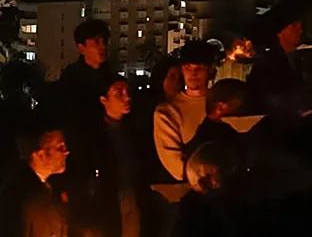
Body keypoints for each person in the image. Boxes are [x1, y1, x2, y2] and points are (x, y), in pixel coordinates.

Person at [67, 72, 142, 237]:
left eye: (127, 91)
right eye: (119, 93)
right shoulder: (89, 134)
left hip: (132, 197)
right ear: (103, 99)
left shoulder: (134, 129)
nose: (127, 97)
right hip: (106, 201)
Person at [0, 117, 70, 237]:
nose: (66, 152)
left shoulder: (48, 188)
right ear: (39, 154)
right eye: (60, 147)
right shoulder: (21, 199)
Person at [153, 42, 213, 182]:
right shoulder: (167, 112)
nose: (193, 73)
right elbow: (176, 166)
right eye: (187, 68)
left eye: (199, 68)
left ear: (210, 71)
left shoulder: (221, 102)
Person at [246, 20, 312, 117]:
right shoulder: (267, 63)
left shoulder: (302, 58)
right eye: (294, 25)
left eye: (300, 25)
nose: (301, 30)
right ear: (280, 31)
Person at [53, 20, 115, 125]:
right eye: (96, 42)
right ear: (82, 48)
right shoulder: (72, 77)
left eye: (104, 41)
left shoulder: (112, 77)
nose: (103, 47)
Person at [182, 79, 245, 164]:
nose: (242, 113)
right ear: (221, 107)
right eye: (239, 107)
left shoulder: (200, 140)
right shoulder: (210, 145)